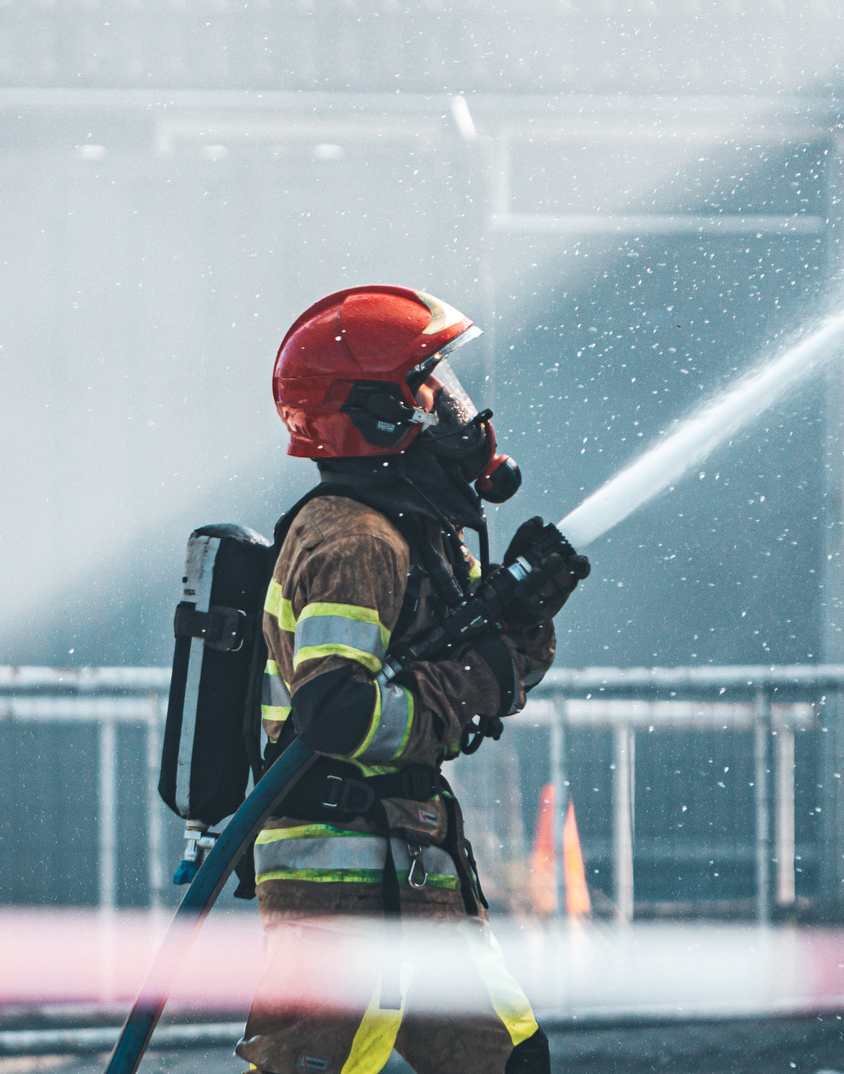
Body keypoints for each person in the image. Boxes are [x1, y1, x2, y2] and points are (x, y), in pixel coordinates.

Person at [240, 285, 590, 1074]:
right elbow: (338, 716)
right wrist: (481, 672)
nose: (454, 409)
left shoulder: (414, 530)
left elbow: (502, 672)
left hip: (413, 864)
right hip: (342, 889)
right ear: (377, 413)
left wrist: (525, 620)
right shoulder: (350, 540)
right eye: (428, 387)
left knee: (508, 1062)